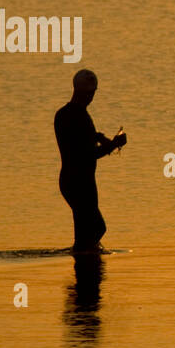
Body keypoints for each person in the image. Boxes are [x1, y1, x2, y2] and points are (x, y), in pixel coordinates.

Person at [54, 69, 126, 252]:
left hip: (72, 180)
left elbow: (78, 140)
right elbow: (87, 154)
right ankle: (87, 266)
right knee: (97, 227)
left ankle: (84, 268)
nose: (91, 97)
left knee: (85, 231)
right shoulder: (80, 117)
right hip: (80, 183)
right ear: (84, 92)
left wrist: (99, 136)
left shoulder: (63, 114)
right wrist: (114, 144)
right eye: (90, 93)